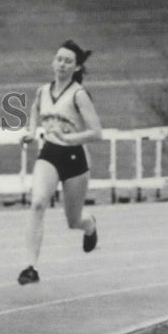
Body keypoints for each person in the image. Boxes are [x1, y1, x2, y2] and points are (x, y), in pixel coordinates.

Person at [18, 40, 103, 285]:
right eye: (59, 59)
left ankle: (90, 227)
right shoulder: (42, 91)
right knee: (37, 204)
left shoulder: (79, 95)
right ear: (53, 62)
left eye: (68, 61)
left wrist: (69, 137)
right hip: (50, 154)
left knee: (74, 220)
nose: (62, 65)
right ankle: (29, 267)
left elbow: (97, 133)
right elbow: (35, 111)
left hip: (75, 158)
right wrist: (31, 132)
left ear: (76, 68)